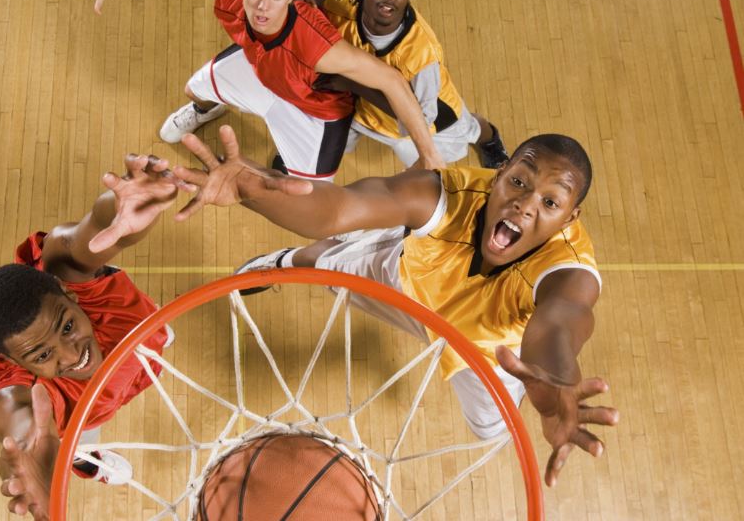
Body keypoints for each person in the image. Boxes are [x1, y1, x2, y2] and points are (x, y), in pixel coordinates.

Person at [169, 126, 619, 487]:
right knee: (324, 264)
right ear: (499, 175)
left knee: (490, 429)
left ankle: (376, 238)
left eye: (550, 202)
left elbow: (558, 327)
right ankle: (286, 260)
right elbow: (334, 208)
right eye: (518, 181)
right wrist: (252, 191)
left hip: (483, 349)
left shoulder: (570, 272)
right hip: (409, 287)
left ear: (571, 217)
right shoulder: (442, 194)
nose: (523, 204)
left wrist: (553, 387)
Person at [55, 0, 447, 181]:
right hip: (262, 70)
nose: (262, 7)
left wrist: (429, 155)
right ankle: (206, 110)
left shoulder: (317, 44)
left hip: (312, 110)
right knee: (195, 89)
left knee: (307, 192)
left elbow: (392, 82)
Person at [0, 154, 195, 519]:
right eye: (42, 356)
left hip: (127, 338)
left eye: (68, 326)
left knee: (144, 335)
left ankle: (150, 339)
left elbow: (83, 237)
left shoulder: (75, 281)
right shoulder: (18, 397)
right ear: (14, 364)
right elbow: (20, 429)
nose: (72, 356)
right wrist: (27, 465)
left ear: (70, 296)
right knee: (72, 440)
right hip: (80, 414)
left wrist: (117, 206)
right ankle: (84, 462)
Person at [308, 0, 509, 168]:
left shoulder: (422, 54)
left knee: (471, 129)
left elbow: (418, 119)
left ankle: (490, 140)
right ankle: (298, 157)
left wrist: (353, 84)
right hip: (356, 107)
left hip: (429, 119)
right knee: (319, 136)